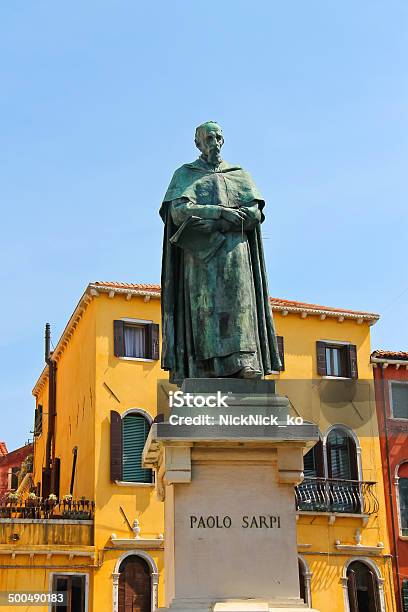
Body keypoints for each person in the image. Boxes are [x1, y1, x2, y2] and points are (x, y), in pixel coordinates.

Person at [160, 121, 281, 384]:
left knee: (240, 305)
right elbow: (178, 212)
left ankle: (244, 361)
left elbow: (255, 213)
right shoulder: (185, 175)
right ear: (198, 143)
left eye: (218, 137)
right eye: (209, 137)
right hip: (200, 255)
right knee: (204, 310)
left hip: (236, 253)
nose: (215, 142)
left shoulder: (239, 174)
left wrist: (224, 220)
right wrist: (219, 211)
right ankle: (206, 367)